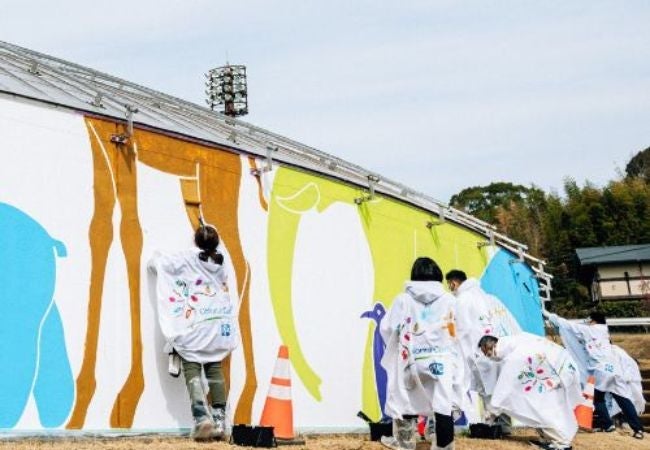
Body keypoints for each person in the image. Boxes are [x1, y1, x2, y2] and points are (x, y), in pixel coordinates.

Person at [149, 224, 239, 441]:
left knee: (192, 366)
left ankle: (201, 418)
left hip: (195, 326)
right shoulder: (221, 261)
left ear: (195, 240)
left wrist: (155, 257)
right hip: (217, 326)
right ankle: (220, 421)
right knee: (214, 367)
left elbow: (157, 265)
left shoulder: (188, 258)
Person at [379, 257, 460, 450]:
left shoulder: (403, 300)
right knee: (443, 402)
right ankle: (444, 446)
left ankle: (405, 442)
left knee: (405, 397)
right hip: (441, 359)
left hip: (410, 358)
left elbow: (387, 328)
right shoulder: (449, 300)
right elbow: (456, 330)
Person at [543, 310, 644, 440]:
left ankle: (607, 425)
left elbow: (569, 326)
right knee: (623, 400)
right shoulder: (604, 331)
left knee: (597, 398)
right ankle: (638, 429)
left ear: (593, 321)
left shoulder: (589, 330)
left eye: (589, 321)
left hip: (601, 370)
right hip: (616, 371)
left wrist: (550, 316)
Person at [478, 333, 583, 450]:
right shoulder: (514, 340)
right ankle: (550, 439)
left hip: (557, 370)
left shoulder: (514, 355)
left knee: (542, 408)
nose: (488, 357)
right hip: (559, 365)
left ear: (491, 346)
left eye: (487, 353)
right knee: (540, 404)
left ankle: (561, 444)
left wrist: (492, 410)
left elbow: (505, 385)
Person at [445, 270, 522, 425]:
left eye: (449, 285)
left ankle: (493, 425)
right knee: (497, 387)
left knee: (487, 390)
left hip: (478, 351)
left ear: (453, 283)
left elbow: (460, 329)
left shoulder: (462, 300)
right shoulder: (483, 295)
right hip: (495, 348)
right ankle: (503, 425)